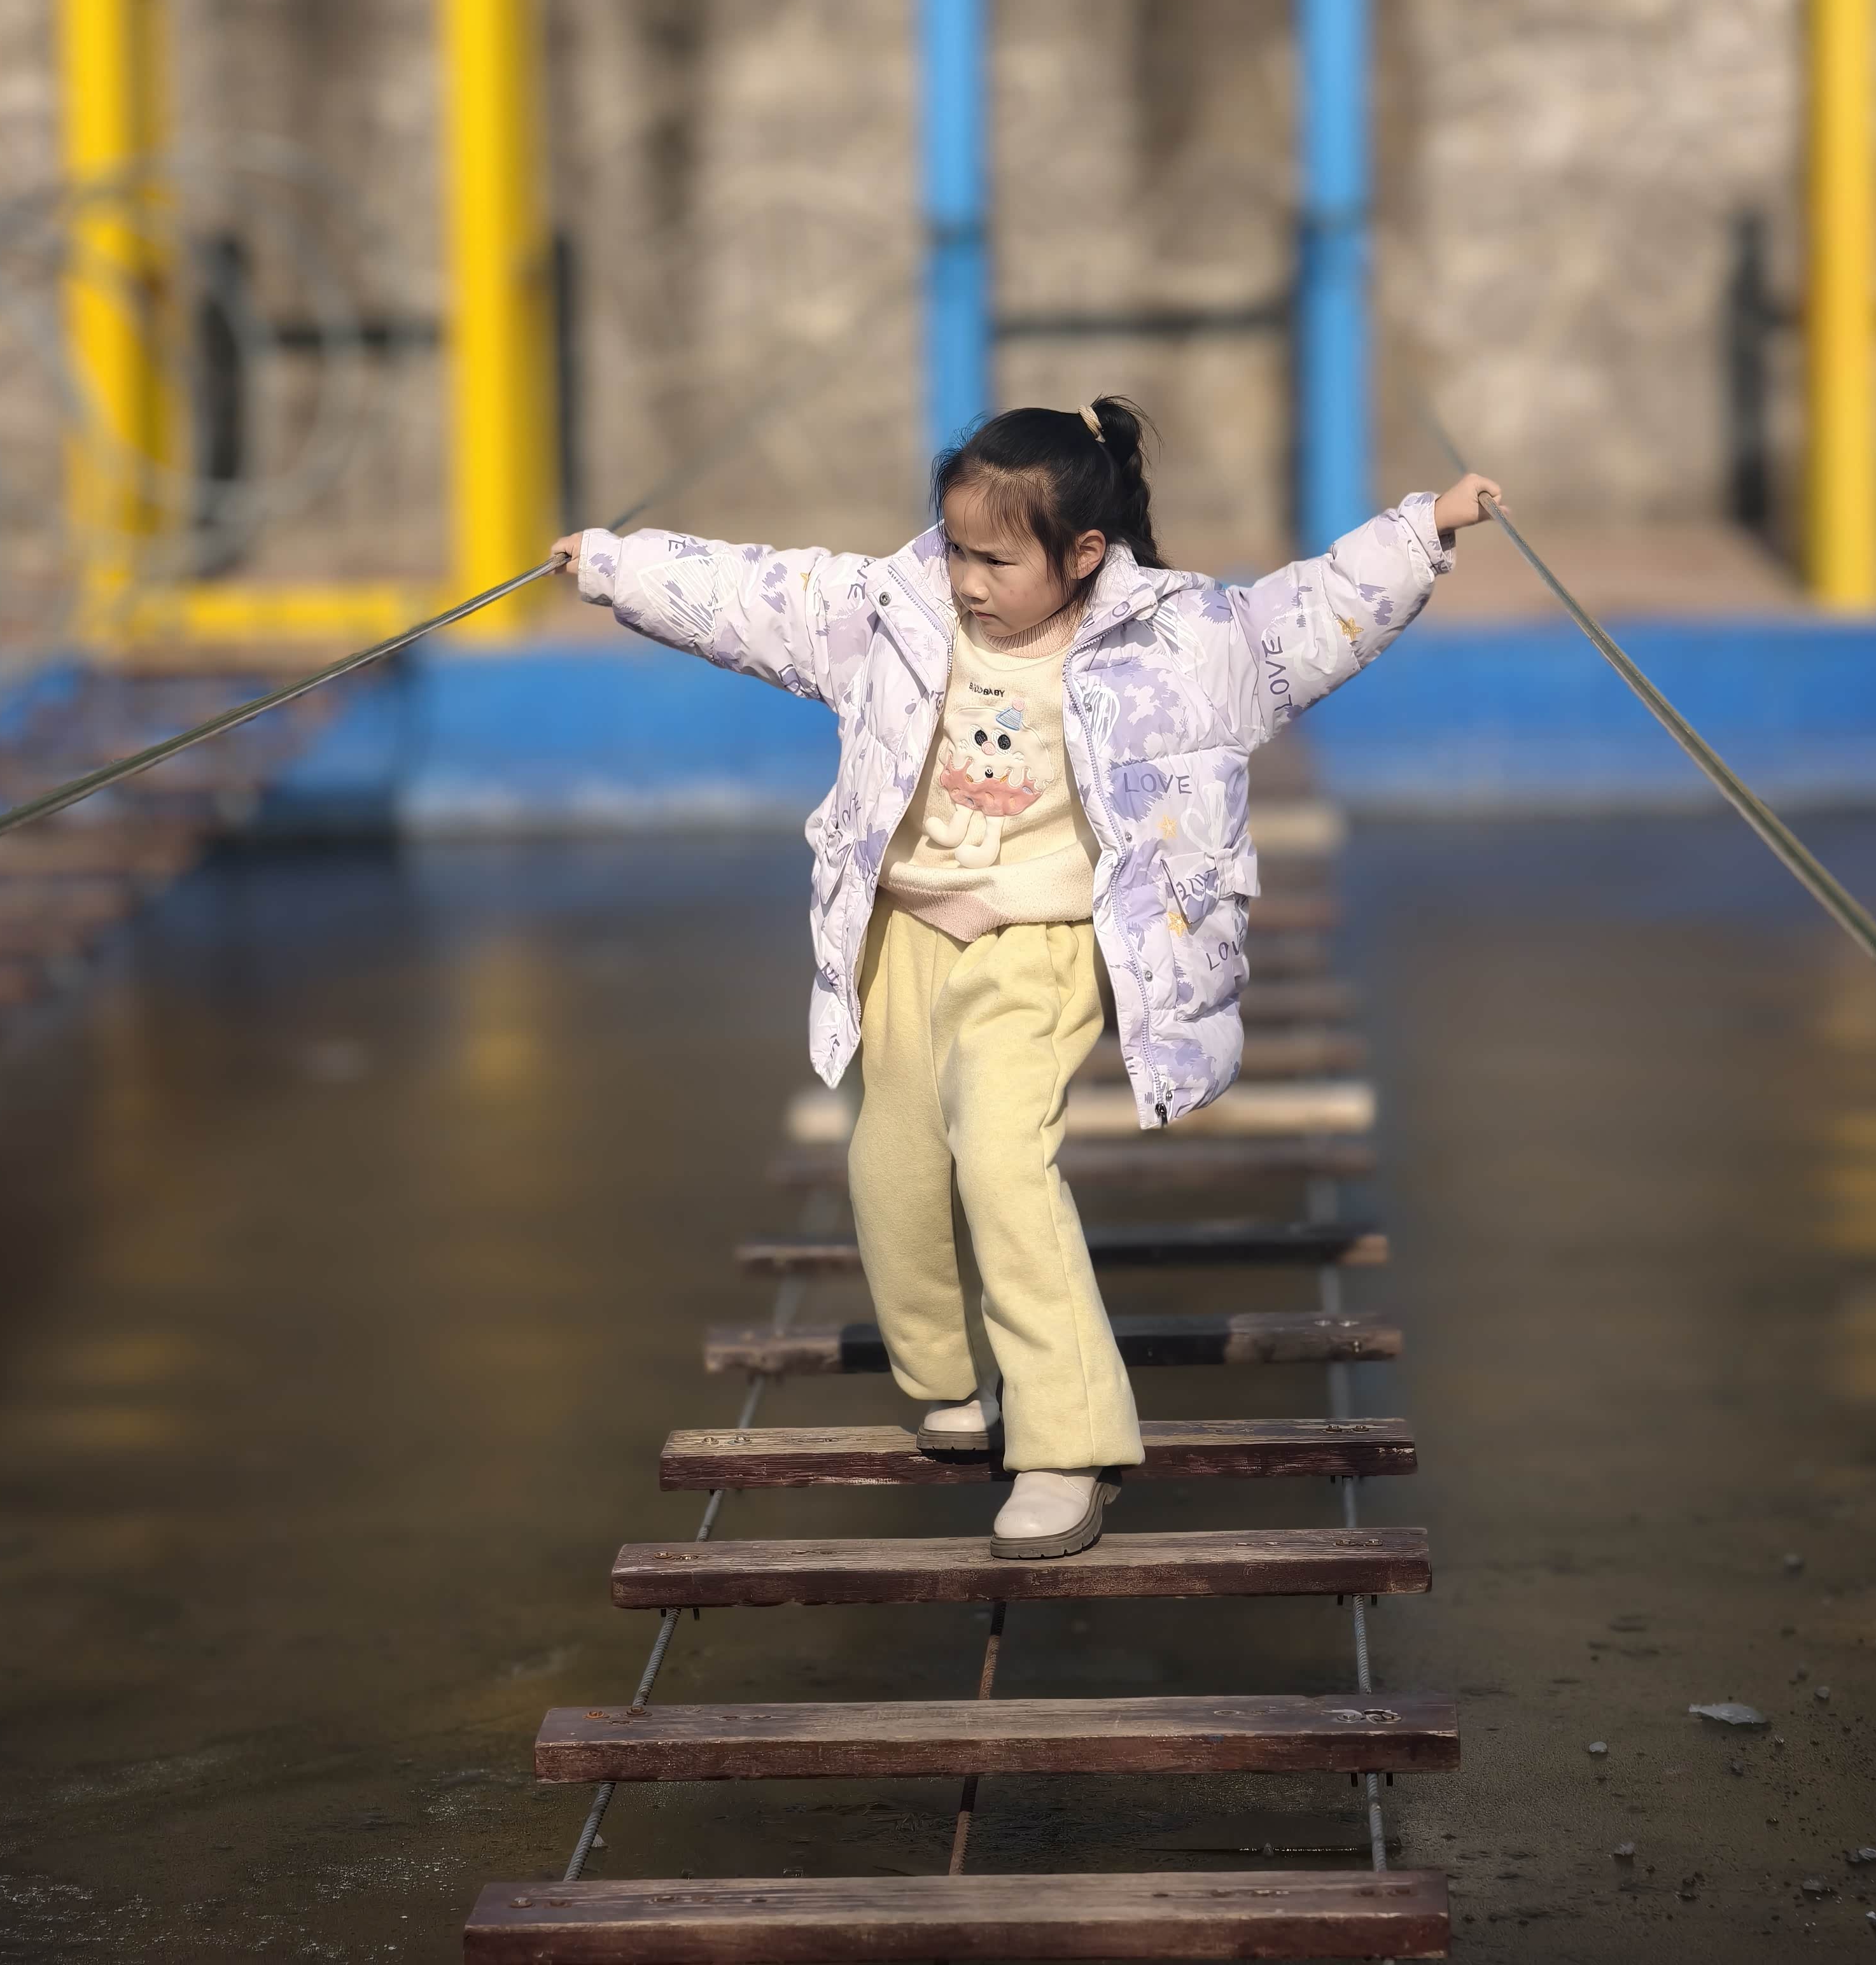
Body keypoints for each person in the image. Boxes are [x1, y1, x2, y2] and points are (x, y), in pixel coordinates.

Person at [552, 402, 1499, 1560]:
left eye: (997, 561)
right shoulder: (895, 613)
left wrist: (1424, 531)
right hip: (903, 931)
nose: (968, 580)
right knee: (891, 1168)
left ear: (1083, 555)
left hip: (1045, 937)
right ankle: (953, 1379)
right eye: (956, 548)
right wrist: (615, 567)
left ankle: (1069, 1443)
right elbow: (757, 596)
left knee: (1000, 1156)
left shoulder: (1175, 644)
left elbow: (1304, 619)